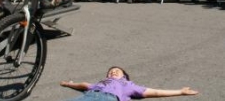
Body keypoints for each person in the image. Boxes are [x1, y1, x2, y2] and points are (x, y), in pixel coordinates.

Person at [60, 66, 198, 101]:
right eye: (110, 71)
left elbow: (154, 92)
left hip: (108, 98)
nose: (113, 72)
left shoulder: (127, 85)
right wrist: (68, 83)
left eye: (117, 71)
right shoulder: (100, 83)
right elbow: (84, 85)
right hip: (88, 96)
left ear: (124, 76)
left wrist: (180, 91)